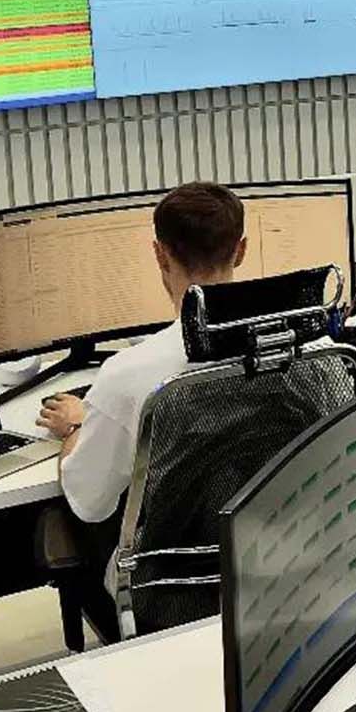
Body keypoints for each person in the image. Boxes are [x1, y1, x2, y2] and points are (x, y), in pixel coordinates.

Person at [35, 181, 248, 584]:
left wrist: (79, 426)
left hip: (176, 590)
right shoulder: (317, 352)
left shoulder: (129, 375)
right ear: (241, 250)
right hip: (291, 575)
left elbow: (90, 503)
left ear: (159, 254)